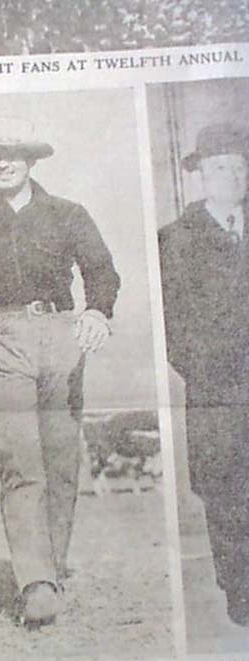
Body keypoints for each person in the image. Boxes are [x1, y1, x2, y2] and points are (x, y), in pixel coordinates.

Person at [0, 117, 120, 627]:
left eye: (13, 153)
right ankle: (35, 583)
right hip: (0, 339)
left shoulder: (68, 214)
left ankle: (52, 566)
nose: (3, 161)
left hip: (61, 336)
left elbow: (101, 271)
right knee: (19, 459)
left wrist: (97, 311)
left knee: (60, 462)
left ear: (32, 159)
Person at [158, 123, 249, 627]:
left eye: (239, 167)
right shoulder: (177, 240)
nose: (231, 176)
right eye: (219, 168)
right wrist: (217, 370)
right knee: (229, 493)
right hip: (219, 394)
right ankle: (240, 591)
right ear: (199, 178)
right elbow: (175, 329)